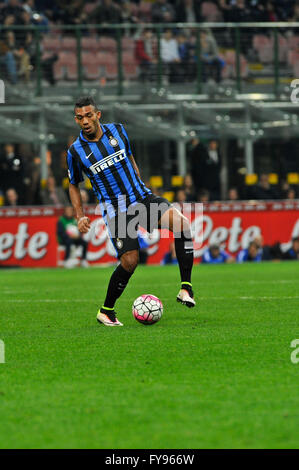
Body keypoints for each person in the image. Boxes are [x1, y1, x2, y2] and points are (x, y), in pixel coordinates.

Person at [67, 96, 195, 326]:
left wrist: (137, 178)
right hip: (116, 210)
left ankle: (186, 288)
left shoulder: (118, 131)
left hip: (141, 197)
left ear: (98, 115)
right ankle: (106, 311)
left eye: (88, 115)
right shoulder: (76, 152)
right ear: (76, 120)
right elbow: (73, 184)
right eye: (79, 117)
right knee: (130, 261)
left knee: (182, 224)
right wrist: (80, 214)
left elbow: (129, 156)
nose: (84, 121)